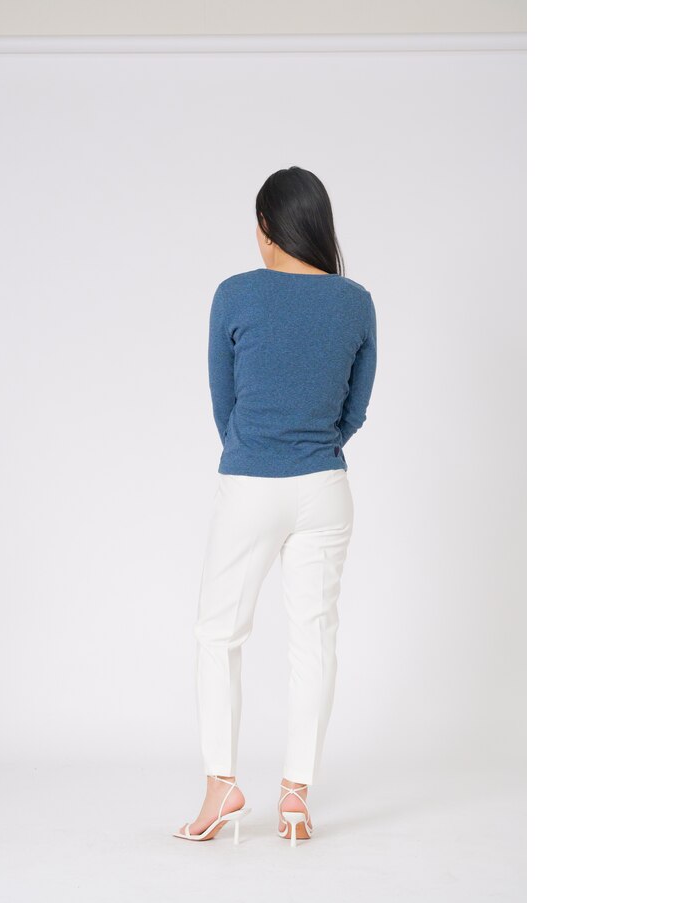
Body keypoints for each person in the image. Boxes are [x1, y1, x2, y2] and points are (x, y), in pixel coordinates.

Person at [173, 166, 377, 845]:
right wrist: (312, 442)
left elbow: (223, 400)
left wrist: (257, 446)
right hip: (326, 487)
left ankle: (221, 787)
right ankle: (295, 797)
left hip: (251, 482)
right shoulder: (355, 302)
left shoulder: (235, 293)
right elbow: (354, 409)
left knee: (218, 633)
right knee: (313, 636)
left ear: (266, 229)